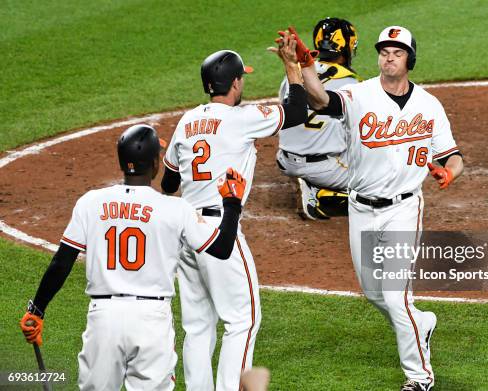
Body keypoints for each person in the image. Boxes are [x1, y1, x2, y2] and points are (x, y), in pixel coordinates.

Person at [276, 25, 464, 390]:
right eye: (384, 51)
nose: (389, 57)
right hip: (361, 207)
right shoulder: (358, 94)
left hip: (404, 209)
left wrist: (448, 173)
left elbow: (453, 156)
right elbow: (319, 100)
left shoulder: (429, 104)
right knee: (374, 292)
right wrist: (304, 62)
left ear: (410, 59)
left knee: (395, 294)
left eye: (397, 52)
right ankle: (421, 324)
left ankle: (419, 378)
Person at [20, 124, 247, 390]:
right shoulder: (175, 209)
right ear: (154, 165)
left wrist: (37, 309)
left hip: (103, 318)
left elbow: (62, 262)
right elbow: (221, 248)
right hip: (151, 320)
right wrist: (232, 204)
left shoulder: (91, 203)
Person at [160, 40, 306, 391]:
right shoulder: (243, 119)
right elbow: (297, 112)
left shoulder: (187, 121)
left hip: (185, 232)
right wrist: (292, 66)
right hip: (218, 228)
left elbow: (167, 183)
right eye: (242, 79)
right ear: (236, 83)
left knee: (197, 325)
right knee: (243, 320)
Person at [276, 17, 361, 220]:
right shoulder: (352, 84)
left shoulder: (294, 73)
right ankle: (320, 197)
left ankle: (310, 179)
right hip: (321, 166)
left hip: (284, 159)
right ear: (347, 47)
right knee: (380, 180)